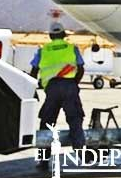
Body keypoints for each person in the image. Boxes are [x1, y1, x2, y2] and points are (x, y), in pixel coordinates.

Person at [30, 22, 86, 168]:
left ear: (50, 35)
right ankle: (80, 153)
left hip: (52, 88)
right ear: (63, 35)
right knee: (75, 119)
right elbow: (80, 68)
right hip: (69, 86)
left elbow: (34, 71)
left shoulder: (43, 51)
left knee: (47, 123)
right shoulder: (72, 48)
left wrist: (35, 87)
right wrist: (74, 83)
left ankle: (43, 160)